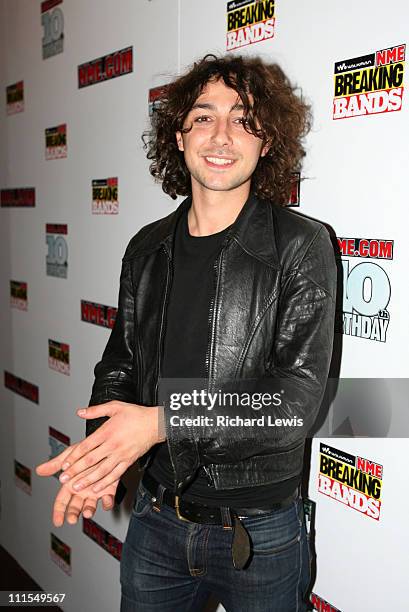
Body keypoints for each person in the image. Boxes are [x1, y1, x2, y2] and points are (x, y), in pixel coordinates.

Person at [36, 53, 336, 611]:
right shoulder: (146, 247)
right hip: (158, 521)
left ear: (266, 141)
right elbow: (121, 364)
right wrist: (103, 457)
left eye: (243, 119)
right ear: (178, 135)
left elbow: (293, 404)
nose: (222, 135)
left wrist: (159, 422)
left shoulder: (301, 245)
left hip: (261, 533)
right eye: (203, 117)